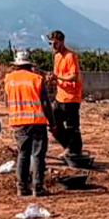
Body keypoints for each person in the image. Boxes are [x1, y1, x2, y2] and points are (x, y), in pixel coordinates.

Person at [3, 50, 50, 198]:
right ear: (30, 65)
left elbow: (7, 102)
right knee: (37, 155)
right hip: (37, 122)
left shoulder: (9, 80)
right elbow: (45, 103)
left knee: (23, 154)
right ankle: (37, 187)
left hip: (19, 123)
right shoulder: (36, 79)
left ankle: (21, 187)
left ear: (16, 65)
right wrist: (53, 122)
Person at [44, 29, 83, 159]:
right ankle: (68, 147)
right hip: (60, 97)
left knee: (72, 127)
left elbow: (73, 77)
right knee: (54, 124)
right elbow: (58, 76)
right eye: (51, 43)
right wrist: (52, 79)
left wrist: (57, 77)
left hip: (71, 98)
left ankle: (75, 151)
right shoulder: (57, 57)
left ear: (62, 41)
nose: (53, 46)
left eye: (55, 43)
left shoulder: (70, 56)